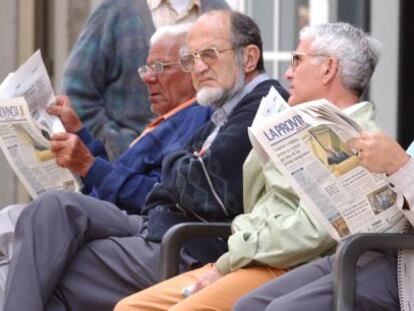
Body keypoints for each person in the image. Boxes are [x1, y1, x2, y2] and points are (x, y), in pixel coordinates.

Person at [3, 10, 288, 311]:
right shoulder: (222, 110)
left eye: (210, 54)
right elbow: (176, 177)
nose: (199, 68)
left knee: (47, 266)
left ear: (249, 57)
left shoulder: (261, 105)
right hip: (156, 220)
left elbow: (200, 188)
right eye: (191, 59)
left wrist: (174, 164)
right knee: (52, 208)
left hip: (186, 240)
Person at [114, 22, 398, 311]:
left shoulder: (356, 139)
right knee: (130, 307)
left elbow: (311, 233)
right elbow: (264, 206)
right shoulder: (301, 125)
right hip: (251, 256)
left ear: (328, 69)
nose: (287, 73)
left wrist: (229, 261)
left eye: (297, 61)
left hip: (283, 266)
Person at [233, 132, 412, 311]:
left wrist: (398, 165)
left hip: (402, 264)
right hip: (372, 247)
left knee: (283, 309)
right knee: (248, 306)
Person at [50, 23, 212, 213]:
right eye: (147, 68)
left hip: (137, 229)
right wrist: (77, 131)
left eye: (160, 67)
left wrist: (88, 165)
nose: (147, 78)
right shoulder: (169, 119)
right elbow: (117, 177)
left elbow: (155, 196)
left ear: (191, 67)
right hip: (108, 216)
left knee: (48, 209)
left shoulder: (195, 120)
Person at [61, 0, 229, 160]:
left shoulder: (221, 13)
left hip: (198, 167)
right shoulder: (115, 11)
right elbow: (76, 94)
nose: (149, 78)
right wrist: (119, 146)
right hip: (125, 168)